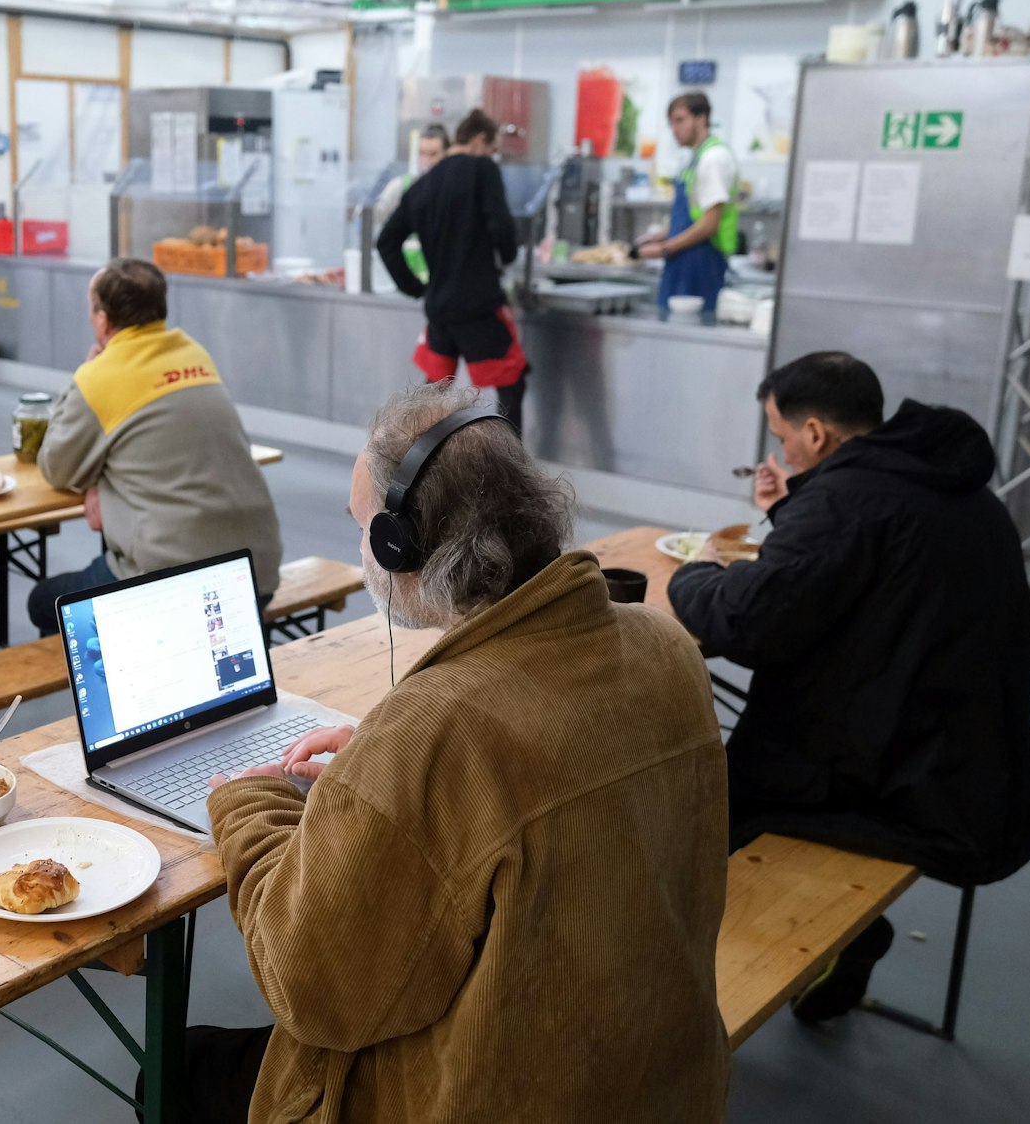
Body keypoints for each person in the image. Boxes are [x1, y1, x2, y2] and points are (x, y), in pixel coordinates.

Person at [189, 381, 729, 1123]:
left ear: (398, 545)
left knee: (184, 1068)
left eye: (363, 526)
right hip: (654, 1079)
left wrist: (248, 801)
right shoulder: (666, 646)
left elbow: (309, 987)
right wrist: (379, 765)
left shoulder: (435, 729)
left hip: (486, 1093)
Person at [668, 351, 1030, 1021]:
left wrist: (694, 574)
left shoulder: (845, 503)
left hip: (900, 786)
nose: (780, 447)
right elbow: (861, 564)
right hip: (981, 765)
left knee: (692, 802)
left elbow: (746, 622)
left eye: (781, 434)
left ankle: (743, 966)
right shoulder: (946, 482)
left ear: (815, 433)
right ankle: (841, 938)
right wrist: (794, 508)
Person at [27, 257, 282, 637]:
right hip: (257, 573)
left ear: (102, 319)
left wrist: (81, 377)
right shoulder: (194, 354)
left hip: (173, 585)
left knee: (41, 601)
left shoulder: (100, 376)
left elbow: (56, 467)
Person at [375, 108, 528, 430]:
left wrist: (416, 287)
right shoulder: (482, 169)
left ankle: (419, 466)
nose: (493, 156)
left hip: (440, 309)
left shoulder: (423, 185)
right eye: (492, 149)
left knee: (433, 393)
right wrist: (508, 255)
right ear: (479, 140)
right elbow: (502, 228)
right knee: (511, 384)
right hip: (479, 306)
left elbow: (386, 242)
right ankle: (512, 473)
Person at [637, 93, 739, 320]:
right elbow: (694, 215)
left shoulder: (714, 158)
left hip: (701, 262)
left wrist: (664, 249)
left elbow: (709, 224)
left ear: (702, 118)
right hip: (683, 258)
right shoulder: (695, 158)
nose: (674, 129)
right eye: (671, 123)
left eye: (680, 120)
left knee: (690, 335)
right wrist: (660, 236)